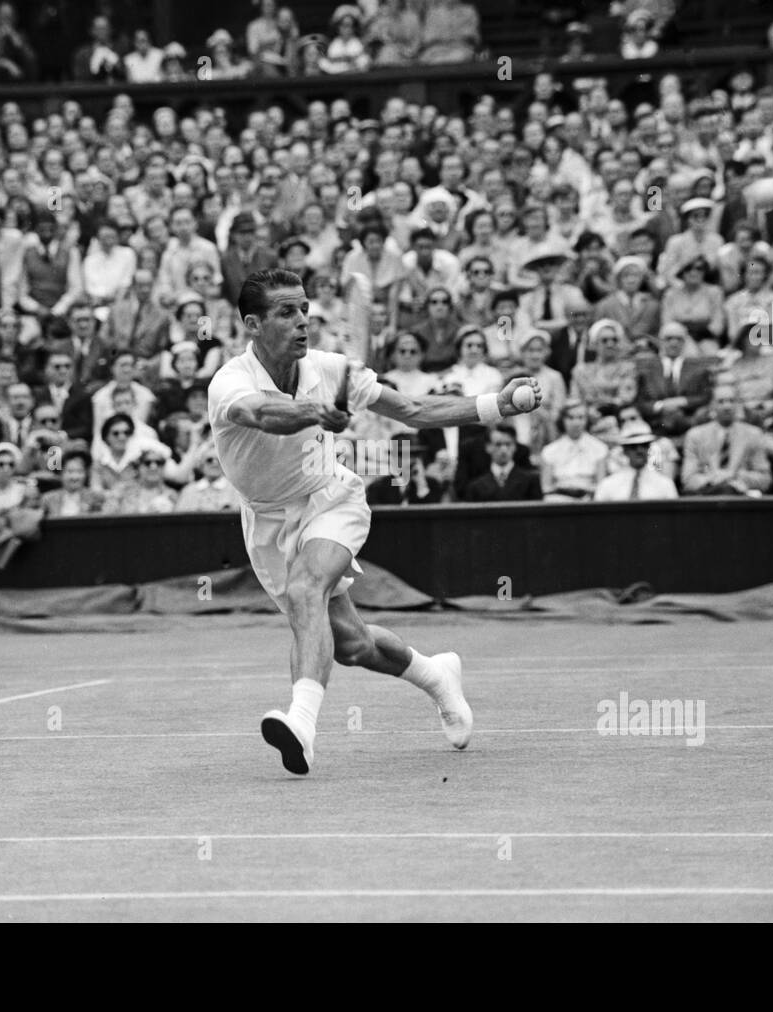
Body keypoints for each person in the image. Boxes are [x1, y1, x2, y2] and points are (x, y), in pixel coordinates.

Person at [207, 268, 541, 774]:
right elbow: (261, 413)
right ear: (252, 324)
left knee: (305, 592)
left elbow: (415, 410)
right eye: (285, 313)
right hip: (267, 523)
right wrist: (314, 411)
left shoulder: (333, 368)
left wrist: (497, 403)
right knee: (352, 645)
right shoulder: (229, 381)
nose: (301, 321)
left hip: (329, 496)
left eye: (304, 310)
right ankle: (436, 675)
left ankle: (302, 724)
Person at [680, 386, 773, 496]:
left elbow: (765, 479)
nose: (727, 406)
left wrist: (735, 475)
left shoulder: (754, 434)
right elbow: (688, 479)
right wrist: (714, 479)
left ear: (738, 404)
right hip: (708, 496)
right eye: (721, 402)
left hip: (742, 496)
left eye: (731, 401)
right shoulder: (695, 435)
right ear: (712, 405)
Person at [539, 401, 609, 500]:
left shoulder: (600, 448)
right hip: (558, 500)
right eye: (570, 418)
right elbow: (545, 487)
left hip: (588, 500)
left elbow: (601, 485)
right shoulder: (550, 450)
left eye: (581, 417)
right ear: (562, 420)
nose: (576, 423)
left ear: (587, 420)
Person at [593, 421, 679, 501]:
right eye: (633, 447)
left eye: (644, 446)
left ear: (649, 448)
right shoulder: (608, 485)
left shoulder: (664, 485)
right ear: (625, 450)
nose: (639, 451)